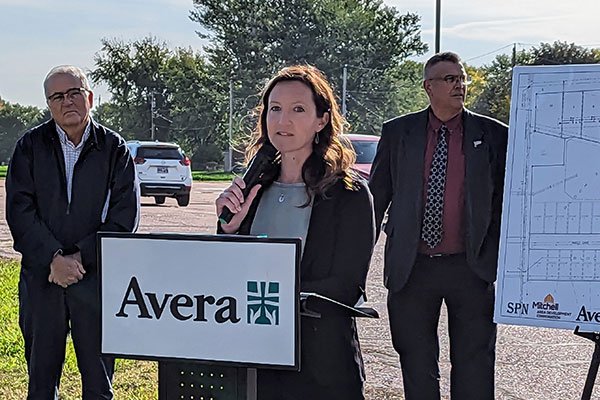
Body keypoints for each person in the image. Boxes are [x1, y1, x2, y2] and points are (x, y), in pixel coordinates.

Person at [215, 65, 375, 400]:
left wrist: (274, 297)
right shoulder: (252, 189)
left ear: (322, 120)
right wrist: (227, 231)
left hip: (322, 369)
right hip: (256, 363)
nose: (282, 121)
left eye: (297, 109)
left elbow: (346, 286)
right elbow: (227, 279)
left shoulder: (350, 194)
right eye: (275, 109)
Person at [369, 51, 508, 400]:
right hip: (412, 268)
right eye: (450, 79)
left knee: (475, 363)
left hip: (471, 268)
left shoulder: (493, 135)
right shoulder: (399, 132)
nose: (459, 84)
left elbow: (505, 200)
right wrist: (355, 263)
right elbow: (376, 198)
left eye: (462, 78)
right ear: (428, 87)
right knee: (416, 363)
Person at [5, 65, 139, 399]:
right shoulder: (29, 147)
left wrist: (80, 257)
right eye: (58, 96)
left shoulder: (115, 150)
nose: (67, 102)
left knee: (98, 383)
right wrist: (53, 258)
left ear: (90, 97)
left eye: (74, 92)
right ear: (49, 104)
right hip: (42, 280)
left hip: (95, 282)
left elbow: (125, 217)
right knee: (40, 382)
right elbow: (20, 213)